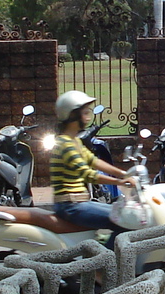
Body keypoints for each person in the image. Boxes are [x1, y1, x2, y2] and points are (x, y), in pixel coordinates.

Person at [48, 89, 131, 233]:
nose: (88, 117)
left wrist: (124, 174)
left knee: (125, 213)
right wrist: (120, 182)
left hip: (78, 203)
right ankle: (111, 255)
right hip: (71, 206)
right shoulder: (65, 144)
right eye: (85, 113)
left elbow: (94, 161)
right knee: (125, 220)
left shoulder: (74, 141)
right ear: (73, 115)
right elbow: (87, 174)